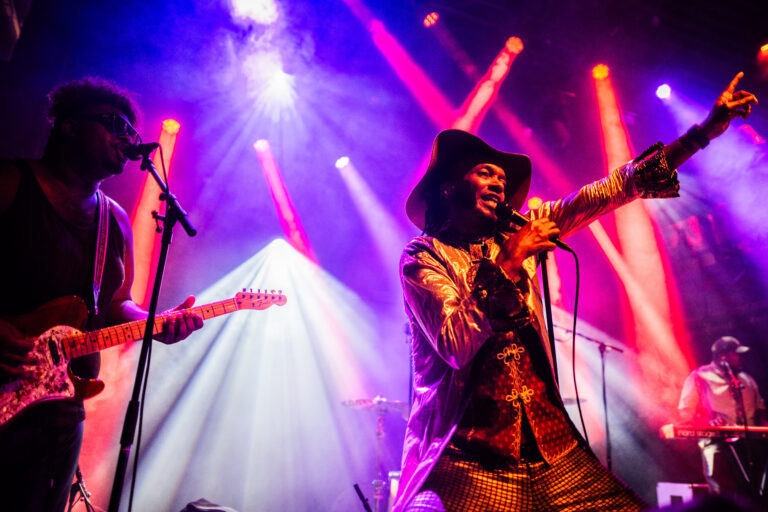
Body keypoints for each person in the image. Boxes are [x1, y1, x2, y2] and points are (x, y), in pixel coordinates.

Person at [393, 72, 757, 512]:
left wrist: (699, 135)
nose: (498, 182)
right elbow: (455, 345)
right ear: (449, 187)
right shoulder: (423, 257)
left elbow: (606, 192)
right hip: (464, 453)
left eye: (502, 178)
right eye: (484, 172)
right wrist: (509, 261)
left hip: (550, 449)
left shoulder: (520, 232)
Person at [0, 77, 204, 512]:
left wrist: (155, 324)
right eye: (114, 124)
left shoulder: (114, 220)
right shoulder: (10, 183)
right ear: (69, 125)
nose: (126, 138)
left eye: (131, 131)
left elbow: (113, 305)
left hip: (57, 414)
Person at [678, 336, 768, 499]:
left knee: (755, 493)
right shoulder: (699, 377)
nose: (741, 358)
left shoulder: (747, 380)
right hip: (717, 444)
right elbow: (685, 411)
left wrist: (763, 428)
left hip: (751, 444)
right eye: (736, 354)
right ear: (723, 357)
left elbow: (761, 409)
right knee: (723, 494)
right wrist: (707, 422)